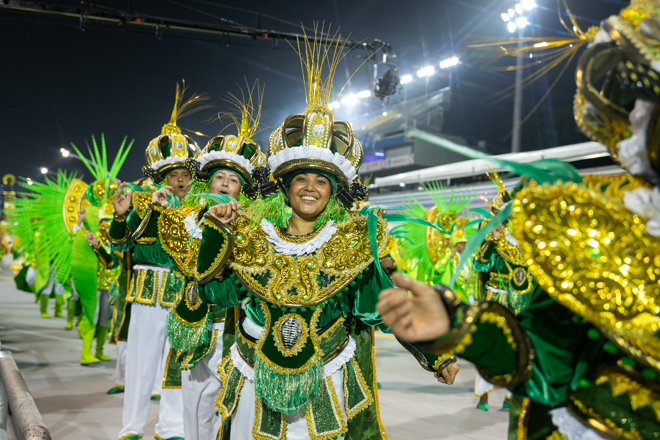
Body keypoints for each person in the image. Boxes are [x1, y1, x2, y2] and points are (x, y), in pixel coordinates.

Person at [378, 3, 660, 438]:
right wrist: (457, 326)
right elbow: (545, 361)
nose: (639, 116)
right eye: (641, 105)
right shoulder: (600, 226)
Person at [195, 30, 459, 439]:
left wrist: (436, 356)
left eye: (321, 181)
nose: (309, 187)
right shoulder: (254, 236)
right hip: (253, 374)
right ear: (286, 186)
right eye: (301, 177)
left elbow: (384, 306)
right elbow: (215, 293)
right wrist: (216, 230)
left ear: (333, 191)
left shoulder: (349, 243)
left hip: (324, 379)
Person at [152, 89, 268, 440]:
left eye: (234, 181)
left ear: (242, 190)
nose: (226, 185)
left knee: (234, 403)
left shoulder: (253, 226)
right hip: (198, 320)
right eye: (220, 177)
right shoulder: (187, 219)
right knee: (195, 400)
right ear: (208, 181)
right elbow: (191, 265)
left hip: (236, 328)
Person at [109, 83, 210, 440]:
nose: (181, 181)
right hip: (147, 294)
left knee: (176, 364)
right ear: (163, 177)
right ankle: (131, 427)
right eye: (174, 176)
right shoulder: (141, 203)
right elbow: (119, 244)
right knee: (139, 364)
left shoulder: (200, 210)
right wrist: (122, 216)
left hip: (182, 297)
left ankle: (170, 427)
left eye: (185, 175)